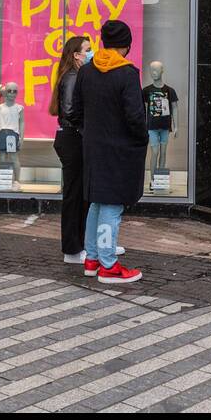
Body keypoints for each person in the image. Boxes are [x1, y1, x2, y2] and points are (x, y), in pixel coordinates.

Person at [70, 19, 146, 284]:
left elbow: (75, 112)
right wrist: (140, 139)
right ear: (126, 45)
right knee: (112, 205)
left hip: (93, 147)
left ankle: (91, 259)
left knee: (96, 203)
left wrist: (89, 134)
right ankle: (108, 265)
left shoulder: (87, 71)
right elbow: (136, 117)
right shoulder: (127, 73)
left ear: (103, 42)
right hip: (119, 150)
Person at [50, 35, 91, 264]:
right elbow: (71, 111)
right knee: (74, 195)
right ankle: (73, 249)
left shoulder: (74, 76)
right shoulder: (73, 77)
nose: (91, 53)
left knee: (78, 194)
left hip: (73, 137)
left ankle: (80, 245)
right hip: (73, 138)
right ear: (76, 55)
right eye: (87, 49)